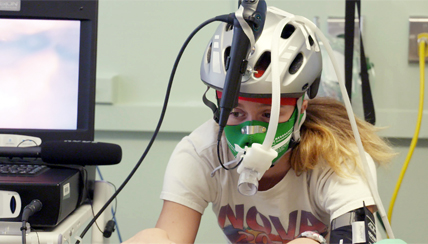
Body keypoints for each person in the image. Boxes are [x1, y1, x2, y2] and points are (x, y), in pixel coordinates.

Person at [123, 6, 396, 244]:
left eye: (269, 114)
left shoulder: (339, 158)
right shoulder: (200, 154)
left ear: (302, 107)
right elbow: (173, 237)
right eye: (236, 113)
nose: (251, 132)